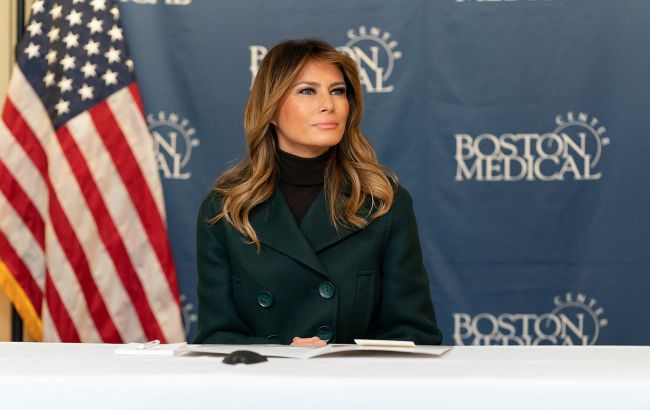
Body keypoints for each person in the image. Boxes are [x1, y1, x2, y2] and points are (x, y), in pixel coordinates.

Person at [194, 39, 442, 346]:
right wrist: (285, 356)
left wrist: (335, 359)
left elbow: (415, 334)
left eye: (337, 91)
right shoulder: (225, 209)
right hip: (264, 376)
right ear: (271, 109)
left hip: (356, 377)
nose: (328, 105)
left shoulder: (383, 202)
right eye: (307, 91)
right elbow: (216, 336)